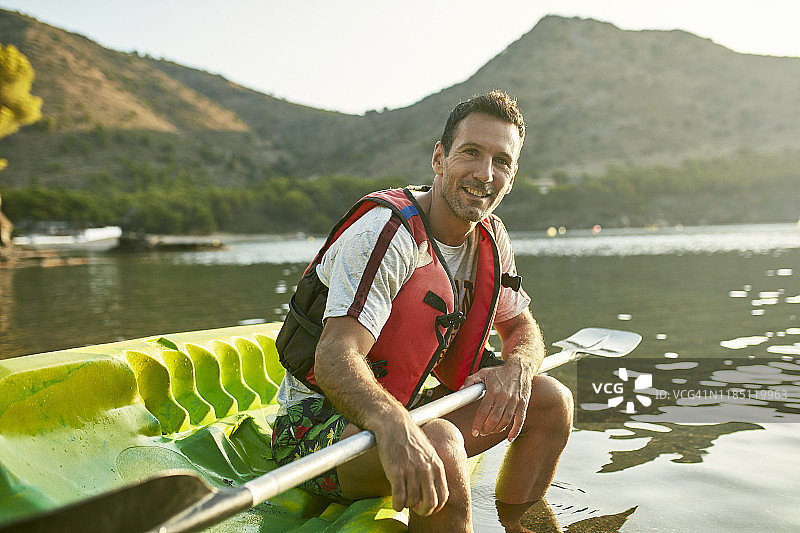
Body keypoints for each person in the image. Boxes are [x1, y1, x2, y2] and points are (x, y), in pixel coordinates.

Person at [272, 90, 573, 532]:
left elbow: (520, 326)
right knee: (443, 447)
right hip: (317, 425)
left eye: (501, 161)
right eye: (471, 152)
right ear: (439, 158)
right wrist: (396, 426)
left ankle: (521, 524)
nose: (484, 173)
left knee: (551, 402)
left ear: (512, 176)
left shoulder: (491, 236)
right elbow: (335, 356)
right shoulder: (388, 233)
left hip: (405, 403)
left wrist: (518, 369)